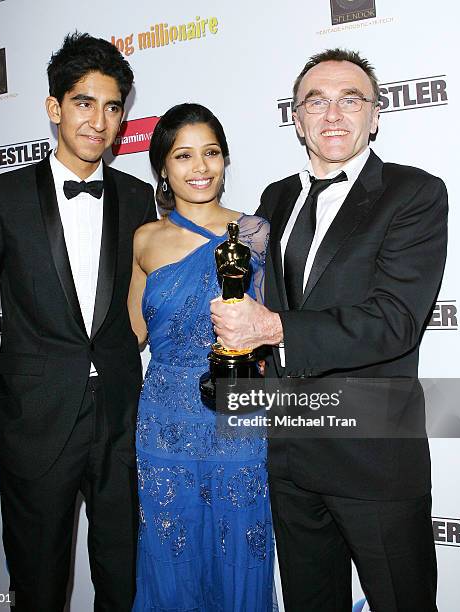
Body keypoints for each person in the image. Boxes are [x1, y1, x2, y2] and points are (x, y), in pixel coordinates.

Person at [210, 48, 448, 611]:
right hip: (290, 453)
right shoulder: (275, 199)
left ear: (375, 115)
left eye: (350, 99)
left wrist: (271, 327)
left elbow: (395, 320)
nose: (332, 114)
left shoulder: (413, 193)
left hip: (373, 454)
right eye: (315, 101)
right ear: (297, 118)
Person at [0, 32, 157, 611]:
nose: (99, 120)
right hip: (35, 429)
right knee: (38, 589)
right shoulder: (1, 197)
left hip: (120, 425)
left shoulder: (139, 199)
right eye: (84, 102)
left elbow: (143, 311)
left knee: (123, 584)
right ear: (54, 107)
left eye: (113, 106)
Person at [127, 103, 274, 611]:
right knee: (171, 554)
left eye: (211, 153)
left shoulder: (253, 233)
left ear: (225, 160)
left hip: (237, 418)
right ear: (163, 169)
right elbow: (130, 334)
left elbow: (270, 328)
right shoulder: (144, 239)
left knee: (242, 550)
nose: (200, 167)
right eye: (183, 155)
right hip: (164, 422)